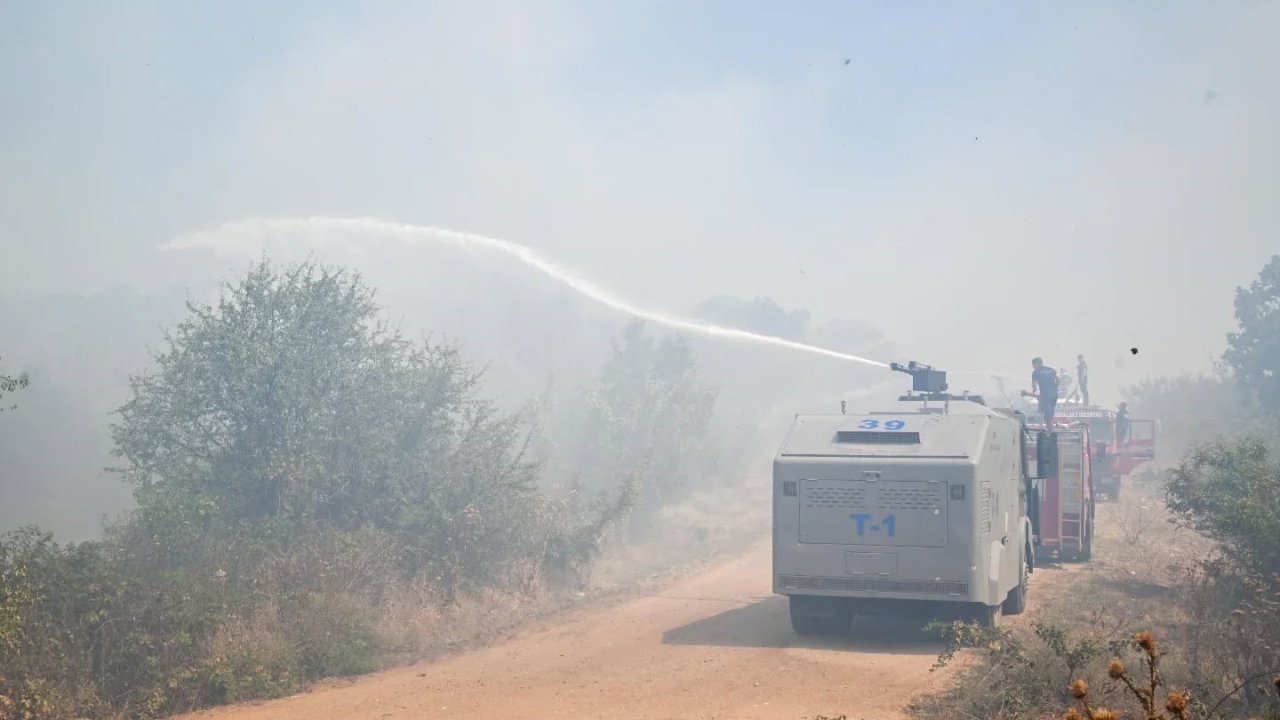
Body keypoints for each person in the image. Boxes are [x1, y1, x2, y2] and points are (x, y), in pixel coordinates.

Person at [1031, 357, 1060, 426]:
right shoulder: (1051, 369)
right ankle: (1051, 424)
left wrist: (1034, 389)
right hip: (1054, 394)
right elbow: (1058, 379)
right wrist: (1056, 387)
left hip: (1045, 394)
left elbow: (1034, 385)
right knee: (1051, 409)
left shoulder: (1035, 373)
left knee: (1043, 412)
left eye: (1033, 365)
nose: (1033, 367)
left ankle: (1046, 428)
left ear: (1037, 363)